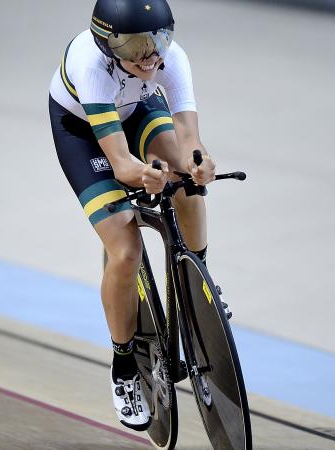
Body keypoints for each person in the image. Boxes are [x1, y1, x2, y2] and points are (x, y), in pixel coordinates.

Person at [48, 0, 223, 431]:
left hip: (138, 110)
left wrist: (198, 162)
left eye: (158, 39)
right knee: (124, 250)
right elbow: (124, 166)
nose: (149, 55)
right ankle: (124, 368)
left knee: (187, 179)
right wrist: (145, 175)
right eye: (134, 45)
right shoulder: (89, 64)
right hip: (85, 133)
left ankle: (199, 281)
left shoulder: (172, 58)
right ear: (107, 43)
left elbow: (189, 137)